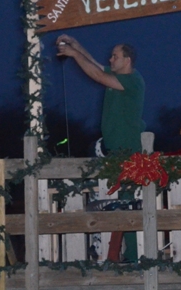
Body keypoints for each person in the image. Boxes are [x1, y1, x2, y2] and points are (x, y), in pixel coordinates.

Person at [56, 35, 145, 260]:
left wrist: (74, 55)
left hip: (129, 152)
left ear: (127, 61)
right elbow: (96, 65)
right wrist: (77, 45)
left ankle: (133, 258)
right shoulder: (116, 75)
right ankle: (117, 254)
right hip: (112, 152)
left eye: (115, 56)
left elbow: (97, 75)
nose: (110, 59)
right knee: (119, 204)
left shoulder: (132, 81)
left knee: (128, 204)